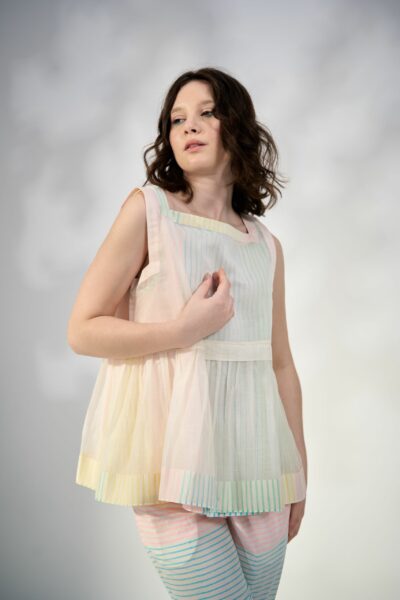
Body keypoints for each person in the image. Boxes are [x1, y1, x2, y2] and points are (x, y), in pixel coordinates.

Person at [68, 67, 308, 599]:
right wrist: (182, 330)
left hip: (261, 465)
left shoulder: (265, 245)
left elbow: (281, 364)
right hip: (171, 468)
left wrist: (298, 471)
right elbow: (82, 331)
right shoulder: (148, 210)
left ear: (237, 127)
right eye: (177, 119)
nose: (189, 127)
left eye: (206, 113)